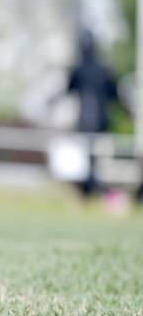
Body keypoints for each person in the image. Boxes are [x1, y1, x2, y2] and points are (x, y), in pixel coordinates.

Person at [65, 29, 119, 198]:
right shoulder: (101, 70)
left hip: (90, 123)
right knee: (90, 162)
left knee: (92, 162)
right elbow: (115, 95)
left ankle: (99, 192)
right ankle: (95, 191)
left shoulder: (82, 69)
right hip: (98, 123)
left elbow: (68, 90)